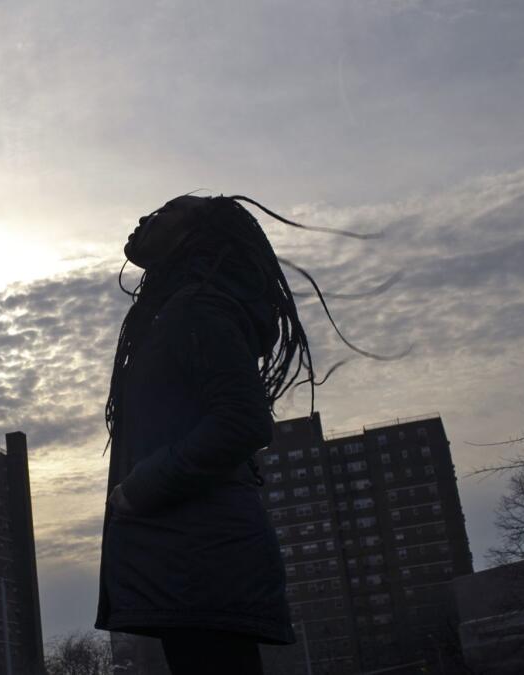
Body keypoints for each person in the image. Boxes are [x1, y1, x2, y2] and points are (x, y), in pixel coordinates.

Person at [93, 194, 344, 674]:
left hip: (199, 561)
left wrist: (140, 489)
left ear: (195, 235)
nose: (146, 217)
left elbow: (242, 422)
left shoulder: (200, 309)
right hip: (183, 558)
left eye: (166, 212)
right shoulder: (175, 313)